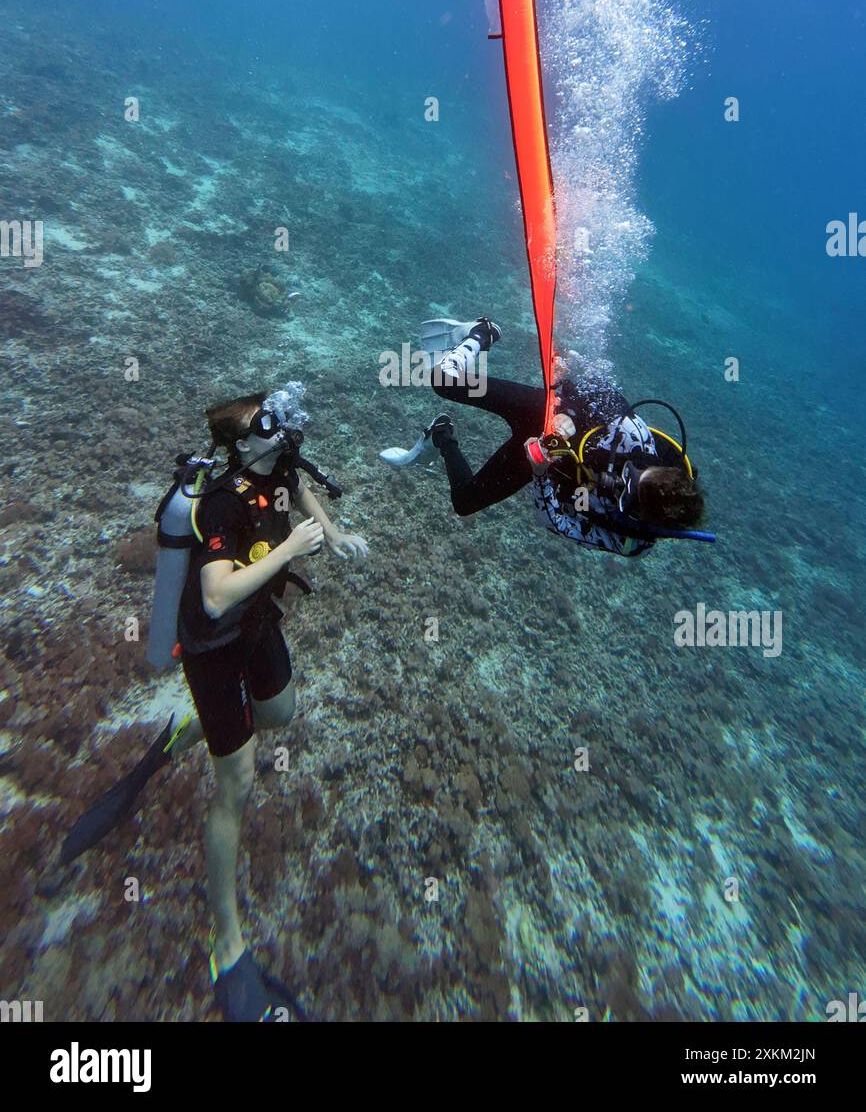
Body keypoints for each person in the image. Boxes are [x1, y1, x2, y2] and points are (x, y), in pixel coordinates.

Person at [50, 383, 369, 1022]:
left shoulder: (276, 459)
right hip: (215, 643)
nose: (284, 429)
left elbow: (297, 488)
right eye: (269, 423)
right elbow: (217, 596)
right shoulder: (221, 503)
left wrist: (331, 535)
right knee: (239, 783)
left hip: (258, 622)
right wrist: (288, 549)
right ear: (241, 442)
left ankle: (189, 732)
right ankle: (228, 942)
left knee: (281, 714)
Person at [384, 319, 708, 558]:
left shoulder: (628, 538)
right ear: (646, 464)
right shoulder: (636, 441)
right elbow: (600, 391)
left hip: (546, 459)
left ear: (640, 515)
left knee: (464, 503)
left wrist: (539, 473)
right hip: (547, 417)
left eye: (626, 496)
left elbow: (555, 522)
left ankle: (441, 434)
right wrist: (572, 416)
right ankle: (482, 332)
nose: (617, 481)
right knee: (444, 382)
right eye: (630, 472)